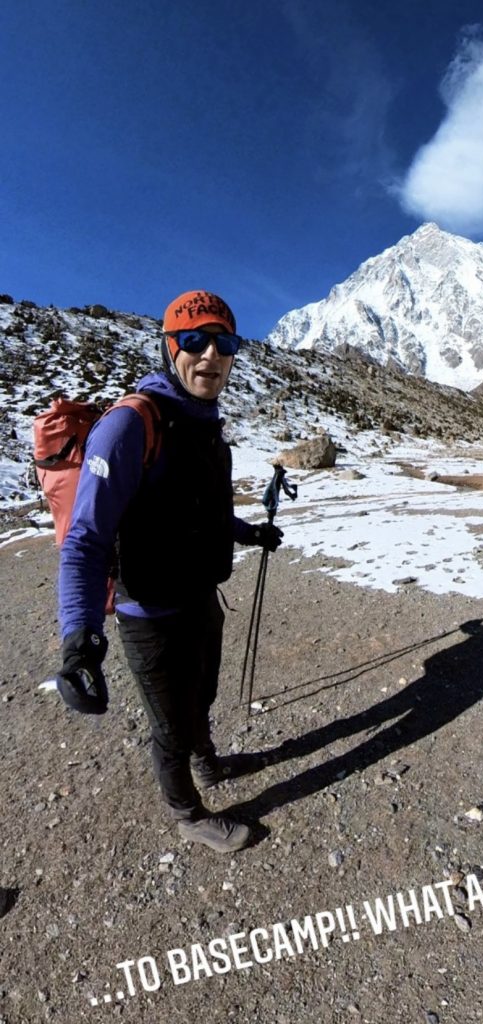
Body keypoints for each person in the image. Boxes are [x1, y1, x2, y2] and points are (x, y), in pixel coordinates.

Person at [56, 290, 282, 853]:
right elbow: (86, 538)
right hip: (149, 610)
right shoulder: (131, 425)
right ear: (169, 346)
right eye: (193, 340)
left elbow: (204, 512)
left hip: (201, 596)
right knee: (170, 722)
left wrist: (248, 532)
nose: (210, 354)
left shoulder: (205, 426)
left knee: (201, 694)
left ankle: (207, 764)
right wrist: (78, 639)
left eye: (223, 343)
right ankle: (188, 813)